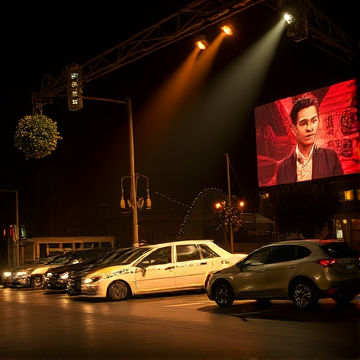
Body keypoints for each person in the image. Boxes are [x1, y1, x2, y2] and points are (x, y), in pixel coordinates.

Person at [276, 96, 343, 185]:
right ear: (294, 129)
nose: (310, 128)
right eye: (304, 123)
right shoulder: (282, 167)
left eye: (314, 121)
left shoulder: (330, 157)